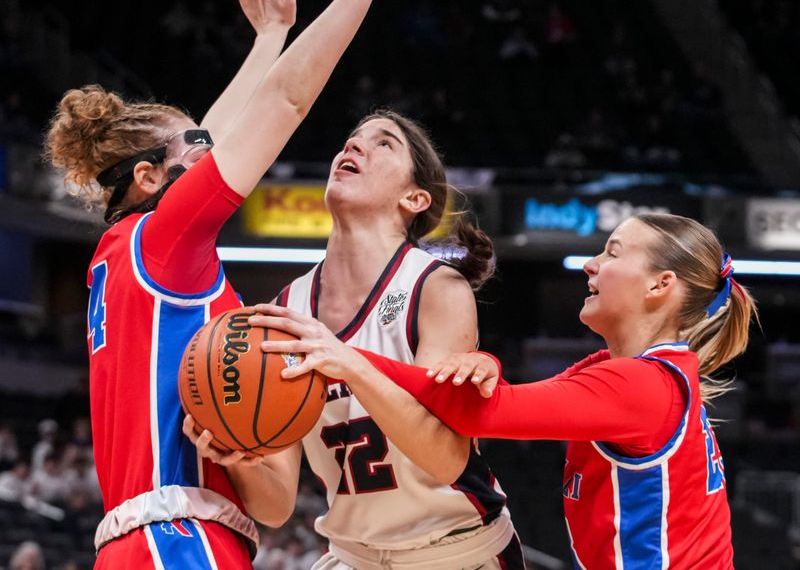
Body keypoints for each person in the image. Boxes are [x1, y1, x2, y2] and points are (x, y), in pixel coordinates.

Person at [43, 0, 404, 570]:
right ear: (149, 177)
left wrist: (269, 35)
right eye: (194, 151)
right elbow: (288, 101)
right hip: (176, 541)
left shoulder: (127, 257)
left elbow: (271, 507)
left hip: (149, 540)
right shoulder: (162, 241)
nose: (213, 153)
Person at [256, 213, 756, 569]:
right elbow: (501, 397)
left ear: (659, 285)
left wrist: (347, 355)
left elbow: (483, 414)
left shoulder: (640, 385)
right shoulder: (623, 371)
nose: (591, 264)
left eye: (613, 253)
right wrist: (483, 361)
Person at [187, 111, 525, 569]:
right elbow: (276, 506)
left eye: (384, 143)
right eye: (351, 139)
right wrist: (237, 455)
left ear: (415, 198)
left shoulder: (435, 288)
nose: (354, 147)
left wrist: (349, 363)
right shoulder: (290, 306)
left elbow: (446, 459)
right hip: (354, 556)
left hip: (454, 551)